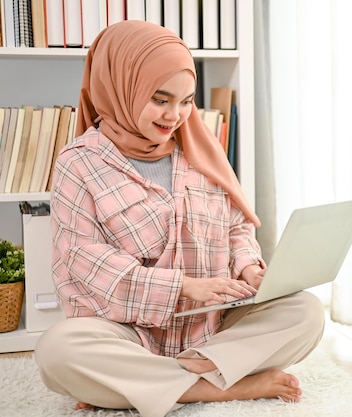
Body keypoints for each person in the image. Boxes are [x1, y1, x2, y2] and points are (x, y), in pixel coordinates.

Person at [34, 20, 325, 417]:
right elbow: (84, 263)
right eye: (160, 98)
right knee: (58, 351)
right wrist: (184, 287)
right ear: (121, 86)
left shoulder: (199, 150)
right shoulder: (79, 163)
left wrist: (249, 269)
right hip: (127, 331)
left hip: (211, 327)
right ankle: (222, 386)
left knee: (306, 312)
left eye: (187, 101)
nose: (175, 115)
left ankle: (142, 383)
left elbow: (235, 225)